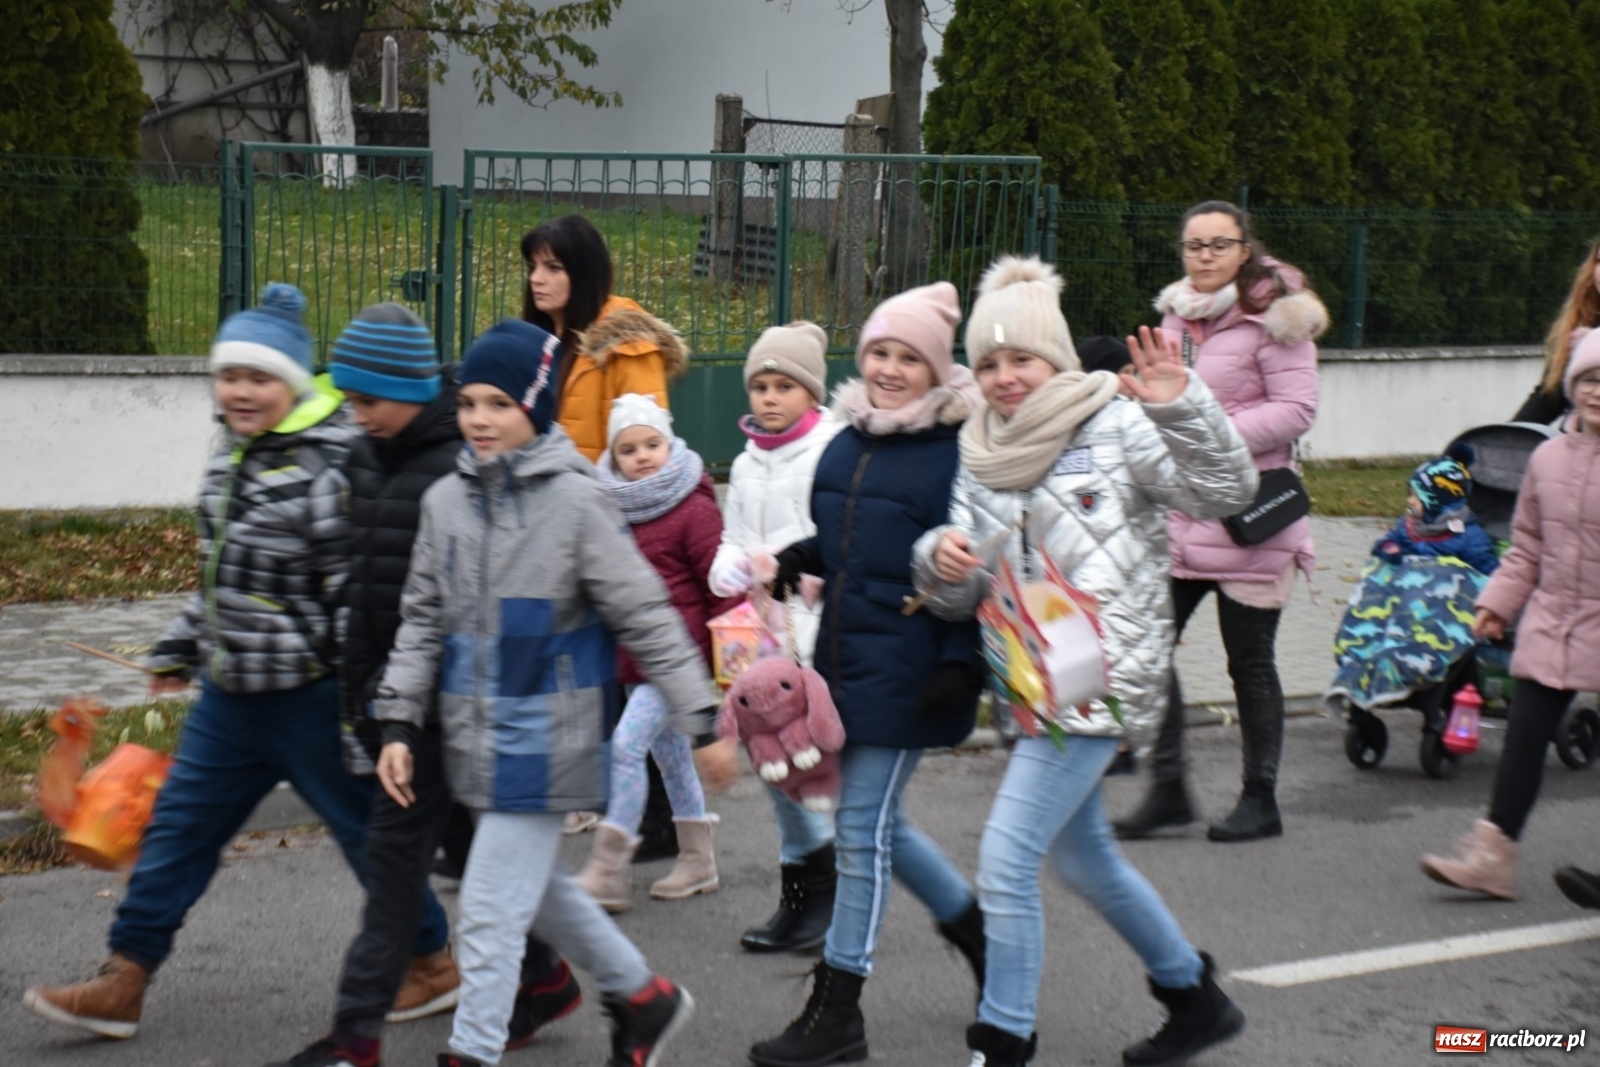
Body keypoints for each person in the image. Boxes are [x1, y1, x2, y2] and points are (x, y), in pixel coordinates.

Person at [21, 285, 436, 1041]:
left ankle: (432, 959)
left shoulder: (330, 462)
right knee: (179, 831)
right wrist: (182, 643)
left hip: (311, 697)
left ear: (293, 384)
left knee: (367, 835)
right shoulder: (230, 456)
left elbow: (354, 594)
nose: (242, 391)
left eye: (260, 377)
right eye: (230, 376)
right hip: (229, 698)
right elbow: (222, 575)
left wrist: (361, 699)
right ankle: (124, 978)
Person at [913, 256, 1254, 1067]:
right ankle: (1194, 997)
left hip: (1101, 674)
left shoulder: (1118, 421)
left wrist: (1183, 406)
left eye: (1021, 358)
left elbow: (1226, 491)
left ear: (1057, 358)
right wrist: (940, 559)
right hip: (1030, 674)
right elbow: (959, 594)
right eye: (988, 362)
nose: (1004, 377)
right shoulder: (980, 448)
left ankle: (1003, 1040)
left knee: (1005, 858)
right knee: (1081, 855)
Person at [369, 319, 738, 1067]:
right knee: (538, 889)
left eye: (499, 403)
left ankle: (472, 1051)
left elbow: (645, 613)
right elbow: (422, 619)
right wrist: (399, 721)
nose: (479, 419)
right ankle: (644, 998)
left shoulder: (577, 502)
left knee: (489, 912)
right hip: (475, 736)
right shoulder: (446, 502)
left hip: (550, 739)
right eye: (468, 402)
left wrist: (701, 719)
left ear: (534, 407)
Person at [269, 305, 579, 1067]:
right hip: (399, 708)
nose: (355, 413)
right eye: (348, 398)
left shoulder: (456, 470)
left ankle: (354, 1040)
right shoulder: (370, 453)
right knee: (471, 854)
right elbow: (367, 581)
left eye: (367, 399)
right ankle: (549, 976)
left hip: (444, 711)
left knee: (393, 874)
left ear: (408, 390)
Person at [748, 283, 988, 1067]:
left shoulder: (958, 454)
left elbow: (972, 572)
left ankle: (837, 1010)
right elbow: (852, 542)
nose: (889, 368)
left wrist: (960, 664)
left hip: (915, 669)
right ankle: (977, 931)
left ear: (937, 369)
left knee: (859, 832)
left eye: (909, 358)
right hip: (846, 662)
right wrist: (803, 555)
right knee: (880, 823)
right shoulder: (848, 443)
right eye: (880, 352)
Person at [1115, 199, 1325, 844]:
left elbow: (1296, 409)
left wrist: (1207, 431)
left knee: (1249, 664)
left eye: (1218, 245)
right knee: (1147, 647)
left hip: (1251, 516)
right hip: (1182, 514)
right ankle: (1169, 790)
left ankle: (1260, 799)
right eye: (1194, 246)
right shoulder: (1175, 317)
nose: (1204, 257)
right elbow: (1169, 400)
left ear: (1243, 251)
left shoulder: (1277, 319)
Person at [1420, 331, 1600, 901]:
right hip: (1555, 618)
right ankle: (1492, 858)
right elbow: (1526, 548)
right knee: (1524, 736)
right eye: (1588, 379)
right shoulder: (1547, 459)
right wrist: (1497, 605)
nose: (1597, 391)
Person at [707, 321, 846, 954]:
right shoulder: (744, 461)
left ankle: (825, 899)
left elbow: (834, 539)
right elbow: (733, 536)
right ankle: (796, 899)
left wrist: (792, 567)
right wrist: (730, 566)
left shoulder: (827, 452)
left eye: (784, 386)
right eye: (760, 387)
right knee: (773, 769)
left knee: (806, 770)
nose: (769, 398)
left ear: (811, 392)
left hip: (811, 632)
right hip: (761, 636)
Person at [575, 393, 737, 910]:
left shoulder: (693, 508)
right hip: (631, 659)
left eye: (652, 444)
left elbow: (722, 590)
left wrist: (730, 670)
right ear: (612, 457)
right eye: (628, 449)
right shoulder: (609, 509)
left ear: (670, 444)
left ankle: (608, 869)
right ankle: (698, 860)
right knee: (671, 759)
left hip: (678, 660)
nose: (642, 456)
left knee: (625, 747)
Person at [521, 214, 689, 462]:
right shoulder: (536, 343)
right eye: (533, 267)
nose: (536, 279)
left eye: (553, 268)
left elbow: (647, 457)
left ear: (585, 274)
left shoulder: (628, 345)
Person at [1514, 234, 1600, 425]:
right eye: (1599, 261)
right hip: (1578, 440)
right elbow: (1548, 398)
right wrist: (1508, 437)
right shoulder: (1580, 325)